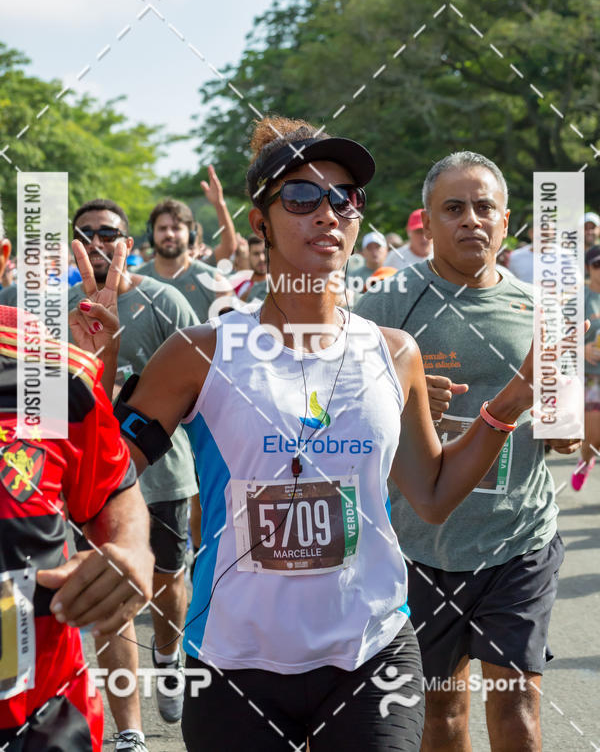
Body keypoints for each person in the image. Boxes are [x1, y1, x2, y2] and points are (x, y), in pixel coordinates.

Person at [98, 118, 542, 752]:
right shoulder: (200, 352)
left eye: (343, 198)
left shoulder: (395, 353)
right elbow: (103, 470)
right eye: (301, 198)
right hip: (234, 658)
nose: (327, 213)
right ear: (260, 224)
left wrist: (511, 403)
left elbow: (434, 494)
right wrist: (94, 376)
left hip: (372, 651)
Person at [355, 151, 582, 752]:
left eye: (485, 208)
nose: (471, 221)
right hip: (419, 547)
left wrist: (566, 426)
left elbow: (565, 432)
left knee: (519, 714)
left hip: (519, 539)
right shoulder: (383, 306)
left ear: (506, 222)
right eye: (453, 209)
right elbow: (330, 403)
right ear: (427, 222)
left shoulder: (546, 306)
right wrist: (394, 392)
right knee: (442, 717)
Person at [0, 225, 153, 752]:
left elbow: (110, 488)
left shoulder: (51, 369)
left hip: (39, 716)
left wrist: (132, 548)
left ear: (2, 257)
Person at [70, 199, 200, 752]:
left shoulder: (163, 299)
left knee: (170, 590)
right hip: (90, 480)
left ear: (129, 243)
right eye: (89, 232)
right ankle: (130, 731)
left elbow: (203, 375)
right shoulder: (47, 306)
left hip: (162, 475)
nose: (100, 240)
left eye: (112, 233)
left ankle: (168, 654)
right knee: (113, 596)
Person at [136, 198, 230, 321]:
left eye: (176, 228)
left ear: (191, 235)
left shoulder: (214, 282)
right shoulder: (134, 280)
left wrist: (219, 204)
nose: (169, 234)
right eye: (162, 228)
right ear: (151, 234)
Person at [571, 244, 600, 490]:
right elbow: (559, 340)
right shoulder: (579, 300)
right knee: (593, 436)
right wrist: (583, 350)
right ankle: (585, 460)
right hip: (592, 377)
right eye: (597, 265)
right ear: (589, 268)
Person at [239, 235, 268, 301]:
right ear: (248, 255)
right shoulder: (240, 287)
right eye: (256, 254)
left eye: (264, 252)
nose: (262, 258)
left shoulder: (278, 284)